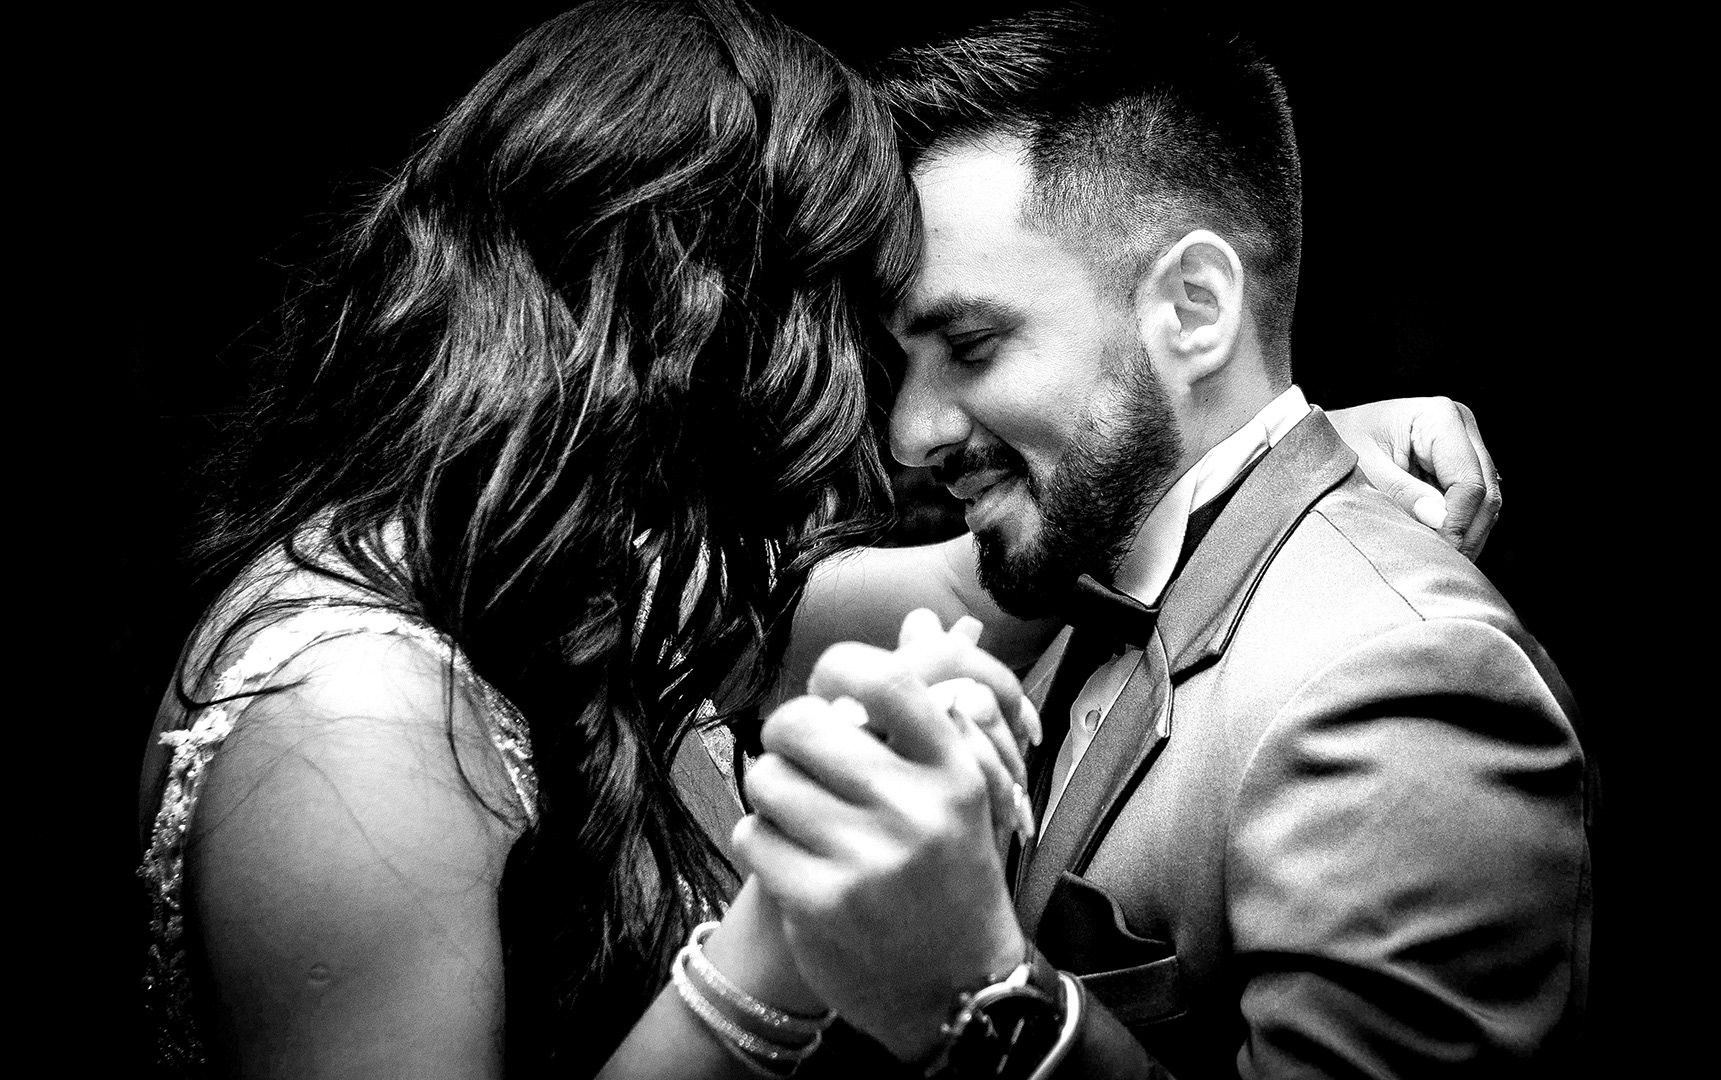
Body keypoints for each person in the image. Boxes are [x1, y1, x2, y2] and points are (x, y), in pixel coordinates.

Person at [135, 2, 1506, 1076]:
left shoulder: (584, 583)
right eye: (843, 328)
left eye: (957, 342)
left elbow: (1000, 570)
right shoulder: (360, 711)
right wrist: (788, 940)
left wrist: (1246, 433)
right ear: (686, 319)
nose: (886, 423)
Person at [736, 8, 1590, 1079]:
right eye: (905, 362)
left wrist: (983, 993)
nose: (911, 434)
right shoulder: (1084, 552)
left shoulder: (1399, 680)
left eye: (970, 343)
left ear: (1192, 308)